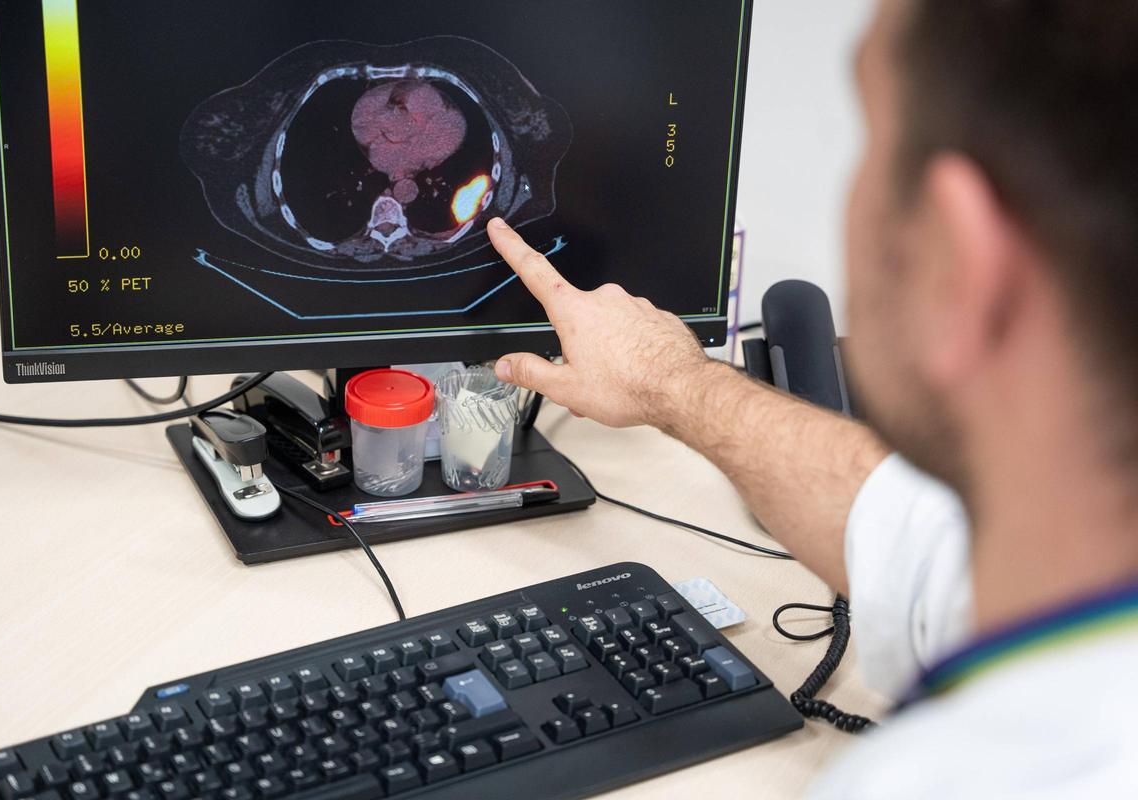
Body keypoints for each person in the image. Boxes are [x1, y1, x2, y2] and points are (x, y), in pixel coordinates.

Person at [483, 0, 1138, 796]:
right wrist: (670, 381)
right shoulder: (1064, 564)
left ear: (958, 268)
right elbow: (905, 529)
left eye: (873, 139)